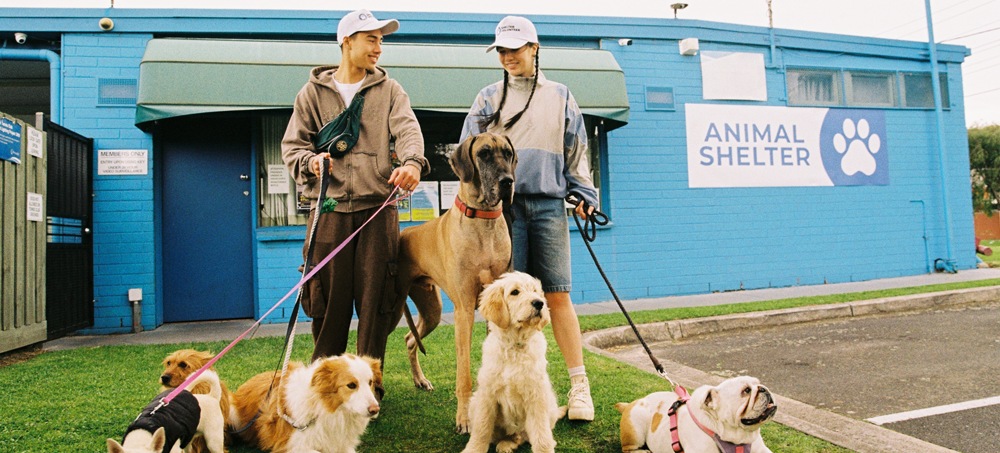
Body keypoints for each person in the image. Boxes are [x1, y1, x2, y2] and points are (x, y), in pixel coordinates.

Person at [282, 9, 428, 399]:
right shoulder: (311, 93)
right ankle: (323, 391)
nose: (379, 47)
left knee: (376, 307)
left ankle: (368, 392)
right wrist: (311, 162)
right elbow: (292, 146)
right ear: (346, 41)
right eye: (372, 38)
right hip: (326, 213)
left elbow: (408, 131)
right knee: (327, 306)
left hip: (378, 212)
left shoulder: (391, 90)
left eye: (382, 39)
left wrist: (412, 162)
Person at [460, 15, 597, 421]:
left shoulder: (561, 95)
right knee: (504, 302)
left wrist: (584, 193)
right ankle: (495, 392)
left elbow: (577, 151)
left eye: (515, 48)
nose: (507, 56)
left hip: (551, 204)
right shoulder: (486, 99)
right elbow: (470, 153)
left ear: (534, 48)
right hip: (503, 211)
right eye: (501, 50)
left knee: (556, 295)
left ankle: (578, 389)